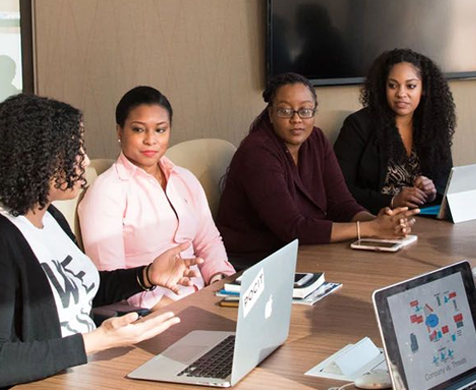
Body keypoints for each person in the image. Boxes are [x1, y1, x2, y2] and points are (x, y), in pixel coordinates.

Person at [0, 94, 200, 390]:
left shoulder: (50, 216)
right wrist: (98, 340)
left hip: (90, 369)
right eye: (74, 150)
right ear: (36, 158)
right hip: (47, 389)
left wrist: (146, 276)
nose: (84, 159)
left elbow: (83, 291)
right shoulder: (5, 236)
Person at [216, 73, 418, 267]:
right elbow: (292, 229)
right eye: (285, 111)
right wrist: (371, 229)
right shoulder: (257, 151)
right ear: (271, 114)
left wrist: (380, 222)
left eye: (305, 111)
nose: (296, 119)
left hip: (305, 251)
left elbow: (342, 204)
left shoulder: (316, 139)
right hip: (255, 261)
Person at [79, 86, 234, 310]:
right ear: (119, 131)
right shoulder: (106, 192)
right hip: (155, 312)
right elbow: (110, 279)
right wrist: (184, 311)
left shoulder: (184, 178)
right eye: (139, 130)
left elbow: (208, 241)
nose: (151, 140)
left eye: (160, 130)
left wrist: (221, 282)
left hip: (206, 298)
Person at [333, 48, 456, 214]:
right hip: (376, 217)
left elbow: (446, 181)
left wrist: (432, 191)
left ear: (423, 89)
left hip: (424, 216)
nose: (401, 94)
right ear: (383, 87)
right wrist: (392, 201)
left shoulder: (433, 125)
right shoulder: (358, 125)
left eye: (410, 86)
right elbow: (339, 188)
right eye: (393, 85)